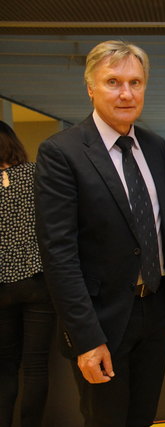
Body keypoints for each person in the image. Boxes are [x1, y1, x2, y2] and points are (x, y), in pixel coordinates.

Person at [34, 40, 165, 426]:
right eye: (113, 82)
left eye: (135, 82)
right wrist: (85, 338)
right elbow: (58, 255)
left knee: (143, 417)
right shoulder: (61, 153)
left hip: (154, 310)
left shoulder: (154, 146)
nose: (126, 93)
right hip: (101, 320)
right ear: (90, 88)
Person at [0, 121, 55, 427]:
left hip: (0, 287)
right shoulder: (36, 175)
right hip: (38, 282)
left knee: (5, 368)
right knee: (35, 366)